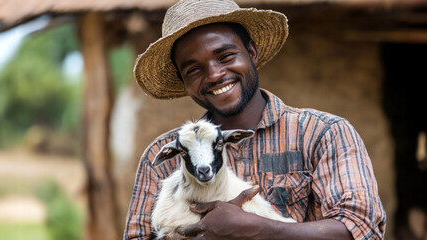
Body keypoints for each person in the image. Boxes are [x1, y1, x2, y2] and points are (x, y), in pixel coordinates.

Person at [124, 0, 386, 239]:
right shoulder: (160, 158)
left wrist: (257, 227)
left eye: (225, 56)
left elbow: (363, 227)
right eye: (194, 69)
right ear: (184, 82)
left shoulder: (323, 134)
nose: (214, 75)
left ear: (251, 52)